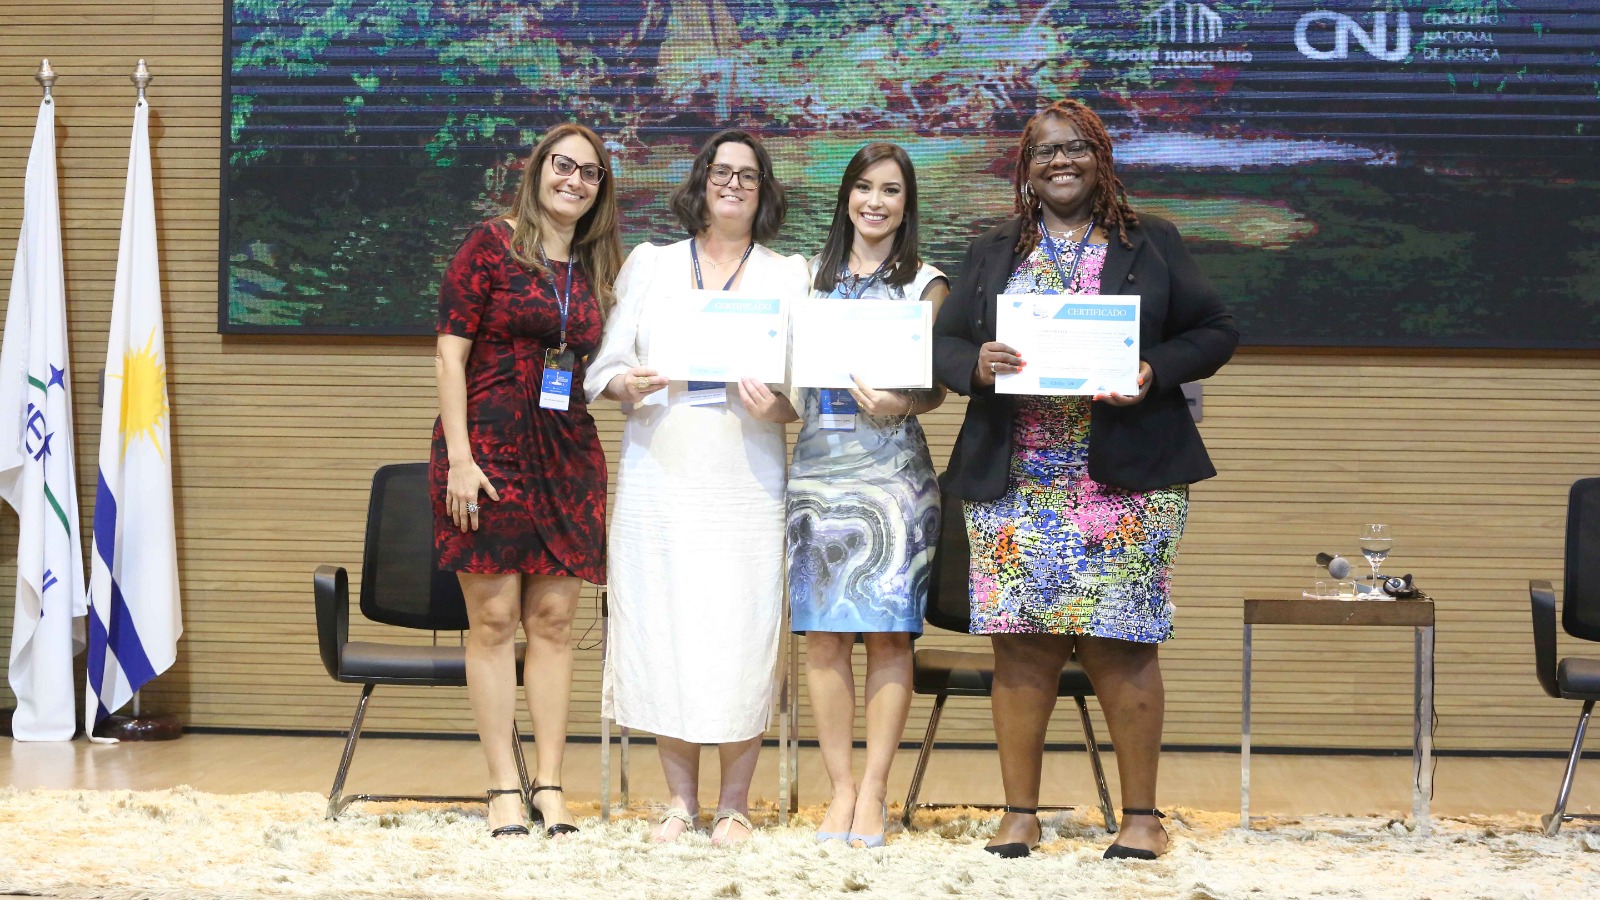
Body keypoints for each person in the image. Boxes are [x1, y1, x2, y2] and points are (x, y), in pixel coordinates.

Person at [932, 99, 1237, 860]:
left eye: (1075, 148)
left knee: (1124, 641)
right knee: (1021, 645)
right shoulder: (995, 247)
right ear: (1025, 167)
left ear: (1100, 157)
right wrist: (974, 364)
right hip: (1017, 477)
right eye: (1043, 152)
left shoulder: (1149, 241)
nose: (1059, 161)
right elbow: (939, 346)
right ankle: (1020, 814)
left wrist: (1152, 370)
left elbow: (1216, 330)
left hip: (1126, 480)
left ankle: (1141, 818)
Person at [586, 129, 809, 846]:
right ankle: (680, 803)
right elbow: (605, 368)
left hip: (746, 476)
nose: (734, 184)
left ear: (764, 189)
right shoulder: (650, 266)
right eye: (722, 171)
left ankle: (735, 804)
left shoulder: (788, 274)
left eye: (748, 174)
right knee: (668, 631)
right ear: (701, 181)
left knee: (741, 632)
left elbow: (801, 392)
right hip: (661, 470)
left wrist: (775, 405)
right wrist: (628, 382)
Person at [431, 123, 622, 838]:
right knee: (491, 623)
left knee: (553, 625)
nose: (574, 180)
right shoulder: (489, 246)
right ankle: (501, 787)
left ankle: (548, 784)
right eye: (563, 166)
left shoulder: (601, 265)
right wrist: (458, 457)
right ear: (537, 169)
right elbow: (450, 357)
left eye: (590, 173)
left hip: (569, 457)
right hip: (485, 456)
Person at [788, 143, 947, 849]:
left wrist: (898, 400)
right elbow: (788, 375)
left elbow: (936, 385)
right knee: (822, 637)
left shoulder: (927, 283)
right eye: (862, 187)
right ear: (845, 196)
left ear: (907, 203)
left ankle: (876, 789)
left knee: (888, 634)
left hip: (893, 479)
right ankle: (840, 789)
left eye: (890, 190)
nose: (874, 202)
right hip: (818, 472)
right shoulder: (806, 281)